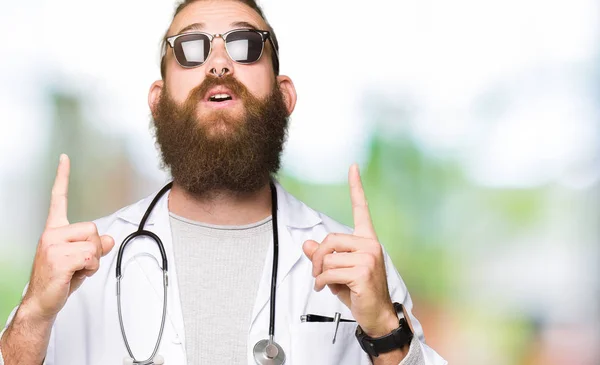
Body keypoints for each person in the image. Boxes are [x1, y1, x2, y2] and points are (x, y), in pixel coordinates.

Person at [0, 0, 447, 364]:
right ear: (157, 102)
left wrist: (386, 332)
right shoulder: (77, 268)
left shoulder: (359, 264)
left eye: (246, 44)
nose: (218, 63)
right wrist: (35, 316)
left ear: (284, 93)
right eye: (190, 47)